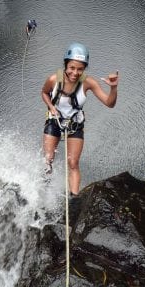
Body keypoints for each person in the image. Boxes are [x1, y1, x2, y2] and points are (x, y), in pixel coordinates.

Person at [41, 42, 119, 197]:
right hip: (54, 121)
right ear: (65, 65)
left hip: (75, 124)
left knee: (73, 163)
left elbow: (109, 104)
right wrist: (51, 106)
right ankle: (44, 188)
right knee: (48, 160)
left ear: (84, 69)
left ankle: (74, 199)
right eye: (71, 68)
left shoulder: (88, 83)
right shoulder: (53, 79)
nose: (75, 73)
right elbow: (44, 93)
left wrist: (113, 88)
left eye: (80, 69)